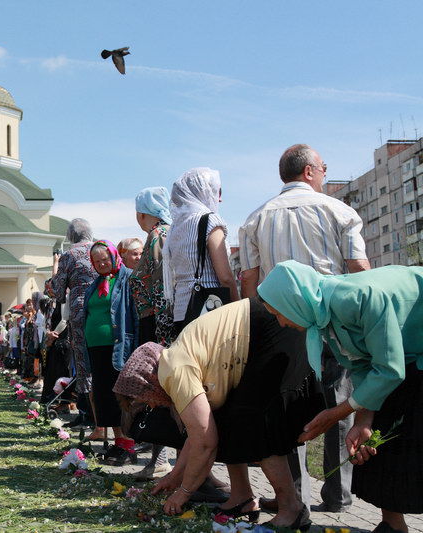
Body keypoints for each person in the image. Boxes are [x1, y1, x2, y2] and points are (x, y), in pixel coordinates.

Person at [239, 144, 370, 514]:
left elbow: (249, 278)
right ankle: (339, 494)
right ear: (311, 171)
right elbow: (359, 268)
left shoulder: (256, 218)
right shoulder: (338, 210)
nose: (325, 173)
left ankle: (294, 497)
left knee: (288, 406)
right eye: (324, 167)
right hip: (335, 319)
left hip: (281, 321)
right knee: (339, 401)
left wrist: (257, 323)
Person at [116, 297, 322, 529]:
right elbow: (199, 435)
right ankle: (241, 497)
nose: (152, 407)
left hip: (270, 329)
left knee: (259, 424)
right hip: (257, 333)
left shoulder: (173, 370)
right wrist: (175, 476)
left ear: (147, 382)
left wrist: (183, 493)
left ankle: (291, 509)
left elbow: (205, 442)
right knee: (227, 419)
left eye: (145, 401)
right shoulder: (175, 361)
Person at [258, 260, 423, 533]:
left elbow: (390, 370)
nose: (282, 323)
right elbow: (362, 365)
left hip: (411, 356)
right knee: (381, 433)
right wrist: (363, 420)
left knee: (413, 435)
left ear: (295, 301)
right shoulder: (325, 316)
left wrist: (337, 413)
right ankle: (393, 525)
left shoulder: (355, 299)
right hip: (405, 358)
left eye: (280, 313)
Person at [128, 186, 174, 480]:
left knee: (159, 387)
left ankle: (162, 459)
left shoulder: (158, 235)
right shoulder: (169, 232)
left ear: (145, 213)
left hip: (157, 321)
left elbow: (150, 278)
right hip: (165, 318)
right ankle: (163, 457)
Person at [82, 240, 138, 464]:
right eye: (97, 261)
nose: (102, 264)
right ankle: (118, 442)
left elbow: (133, 313)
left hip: (118, 346)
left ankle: (128, 444)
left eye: (105, 259)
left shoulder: (127, 279)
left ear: (114, 256)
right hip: (96, 347)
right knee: (105, 395)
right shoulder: (95, 284)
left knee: (121, 396)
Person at [163, 167, 239, 332]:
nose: (219, 199)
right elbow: (225, 277)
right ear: (203, 192)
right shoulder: (209, 221)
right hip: (209, 308)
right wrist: (239, 310)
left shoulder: (175, 228)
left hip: (181, 310)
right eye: (217, 192)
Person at [47, 218, 96, 426]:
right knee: (101, 360)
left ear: (71, 236)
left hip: (79, 311)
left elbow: (58, 293)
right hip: (103, 307)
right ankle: (102, 416)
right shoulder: (101, 249)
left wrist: (53, 279)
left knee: (83, 363)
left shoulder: (69, 256)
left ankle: (87, 412)